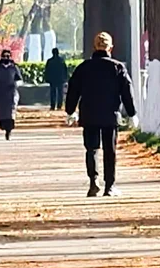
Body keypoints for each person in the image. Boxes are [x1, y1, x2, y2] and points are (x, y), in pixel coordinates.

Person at [65, 30, 136, 197]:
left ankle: (93, 182)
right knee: (109, 150)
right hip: (110, 115)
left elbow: (73, 91)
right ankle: (109, 186)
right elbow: (127, 92)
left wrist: (70, 111)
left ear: (94, 47)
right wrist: (132, 113)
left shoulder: (83, 68)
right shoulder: (117, 67)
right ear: (110, 48)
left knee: (92, 149)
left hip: (89, 114)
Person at [0, 47, 23, 139]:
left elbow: (20, 79)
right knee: (2, 111)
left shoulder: (14, 68)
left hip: (11, 92)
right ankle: (3, 126)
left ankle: (9, 130)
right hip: (1, 93)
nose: (6, 58)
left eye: (8, 56)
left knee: (11, 111)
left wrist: (17, 84)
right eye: (4, 56)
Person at [44, 45, 68, 110]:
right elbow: (65, 70)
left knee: (53, 92)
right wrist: (65, 78)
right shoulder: (61, 61)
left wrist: (47, 78)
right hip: (60, 79)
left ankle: (53, 105)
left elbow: (47, 71)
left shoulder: (50, 61)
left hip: (53, 79)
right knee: (60, 93)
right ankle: (59, 105)